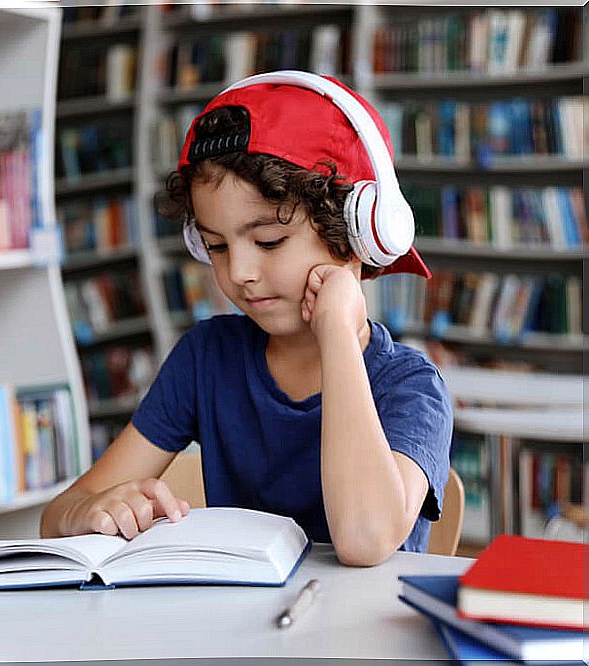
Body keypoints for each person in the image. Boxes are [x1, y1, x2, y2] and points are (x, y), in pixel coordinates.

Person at [41, 71, 453, 566]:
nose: (239, 272)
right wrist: (90, 513)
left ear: (359, 232)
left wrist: (338, 333)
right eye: (215, 245)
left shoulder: (411, 386)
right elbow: (56, 518)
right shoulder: (206, 357)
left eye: (268, 242)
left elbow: (364, 540)